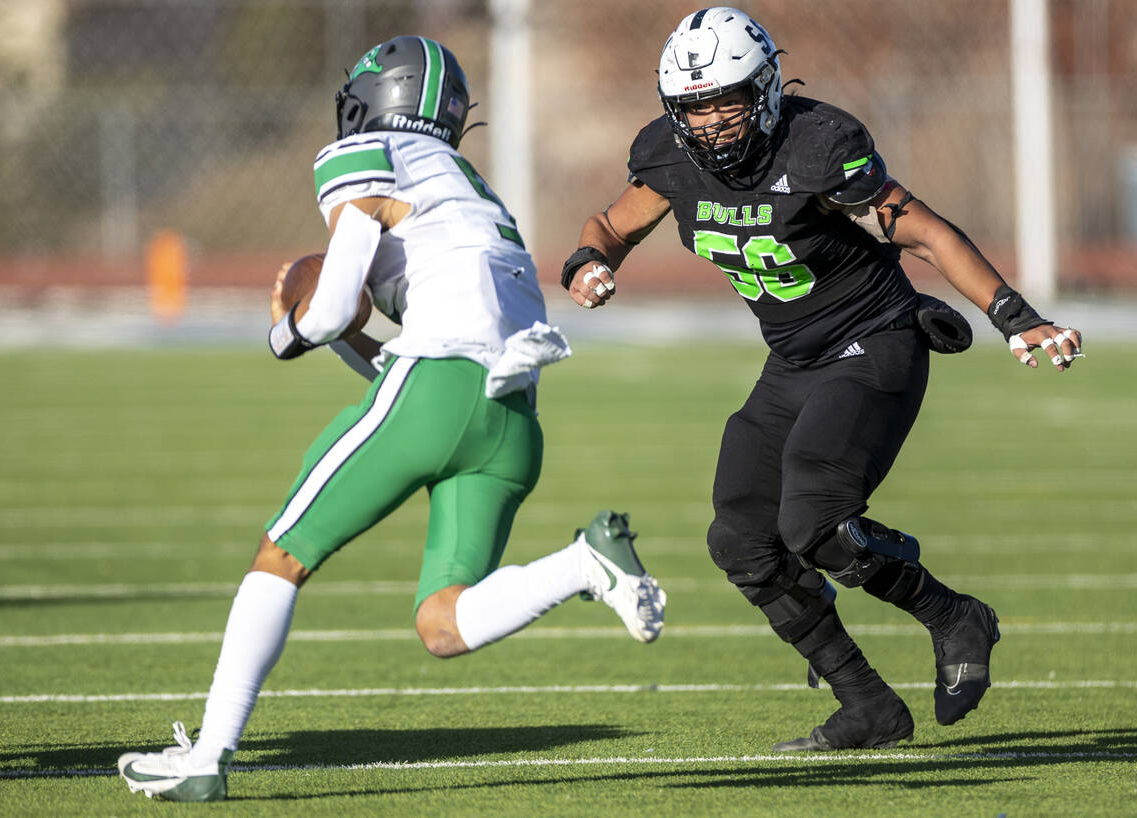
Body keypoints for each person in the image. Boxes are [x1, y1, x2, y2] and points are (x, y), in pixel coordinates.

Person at [118, 35, 665, 802]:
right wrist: (346, 337)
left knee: (280, 557)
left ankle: (208, 756)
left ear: (376, 100)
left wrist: (289, 332)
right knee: (444, 623)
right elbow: (401, 369)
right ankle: (584, 563)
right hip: (510, 417)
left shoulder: (363, 153)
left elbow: (352, 317)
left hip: (439, 386)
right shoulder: (473, 191)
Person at [563, 7, 1083, 752]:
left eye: (726, 101)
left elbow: (927, 232)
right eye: (694, 107)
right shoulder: (669, 159)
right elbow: (610, 226)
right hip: (795, 359)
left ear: (767, 89)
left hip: (876, 341)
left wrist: (1016, 315)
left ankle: (952, 616)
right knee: (740, 537)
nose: (709, 123)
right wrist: (589, 263)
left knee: (812, 515)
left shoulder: (818, 148)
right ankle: (867, 705)